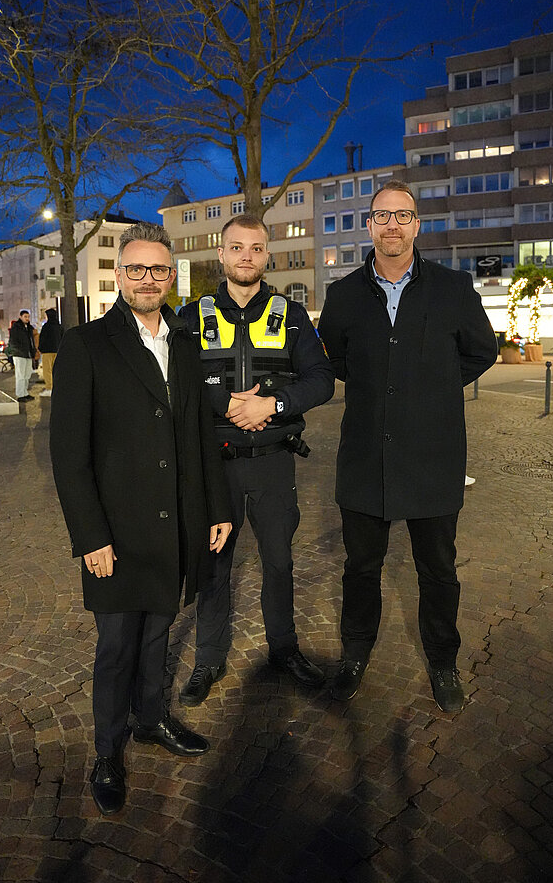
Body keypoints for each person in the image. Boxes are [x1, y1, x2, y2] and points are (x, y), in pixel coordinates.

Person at [50, 221, 231, 816]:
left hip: (175, 523)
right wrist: (90, 537)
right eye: (136, 270)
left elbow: (200, 436)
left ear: (171, 277)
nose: (148, 279)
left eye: (158, 270)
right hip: (118, 531)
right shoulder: (87, 345)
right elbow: (68, 454)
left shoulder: (183, 342)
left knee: (157, 634)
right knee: (117, 646)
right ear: (120, 277)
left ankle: (151, 720)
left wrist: (216, 510)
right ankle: (108, 750)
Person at [318, 180, 497, 713]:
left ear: (417, 225)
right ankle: (355, 655)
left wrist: (431, 388)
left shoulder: (453, 288)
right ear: (368, 226)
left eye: (403, 215)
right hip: (365, 458)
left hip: (433, 457)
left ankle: (443, 660)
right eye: (381, 216)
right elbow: (337, 362)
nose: (392, 225)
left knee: (438, 570)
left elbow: (481, 352)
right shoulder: (344, 294)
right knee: (360, 568)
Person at [177, 214, 335, 706]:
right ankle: (208, 659)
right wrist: (223, 404)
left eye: (256, 248)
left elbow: (321, 379)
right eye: (236, 247)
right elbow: (175, 379)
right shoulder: (189, 316)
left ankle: (284, 650)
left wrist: (272, 404)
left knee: (279, 562)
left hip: (272, 461)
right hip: (214, 464)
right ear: (220, 255)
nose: (246, 256)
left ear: (267, 256)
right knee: (213, 565)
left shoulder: (291, 315)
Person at [7, 310, 37, 401]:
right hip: (19, 354)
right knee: (20, 375)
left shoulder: (28, 328)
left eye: (28, 317)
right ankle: (20, 394)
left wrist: (32, 351)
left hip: (27, 354)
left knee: (27, 374)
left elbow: (31, 341)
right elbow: (13, 341)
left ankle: (25, 392)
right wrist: (17, 350)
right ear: (20, 317)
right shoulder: (16, 327)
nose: (27, 318)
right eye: (25, 316)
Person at [37, 307, 64, 397]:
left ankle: (49, 388)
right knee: (56, 370)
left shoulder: (46, 327)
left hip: (47, 351)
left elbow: (42, 339)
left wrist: (40, 348)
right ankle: (57, 388)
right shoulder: (59, 326)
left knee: (47, 371)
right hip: (58, 351)